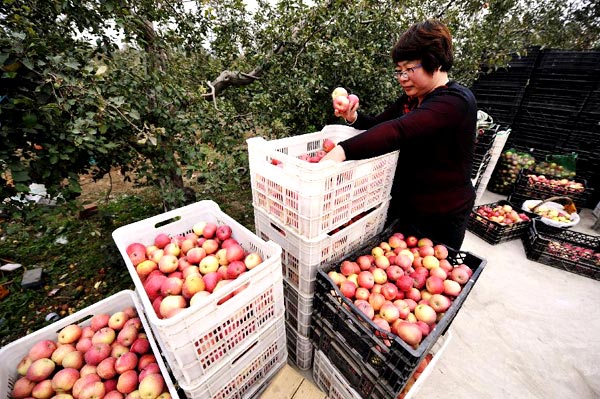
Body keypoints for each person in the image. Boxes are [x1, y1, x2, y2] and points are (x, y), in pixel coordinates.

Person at [321, 19, 477, 250]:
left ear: (434, 63)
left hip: (442, 213)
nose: (402, 77)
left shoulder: (454, 102)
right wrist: (352, 116)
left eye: (409, 69)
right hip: (407, 205)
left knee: (432, 274)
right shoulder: (412, 100)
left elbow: (398, 131)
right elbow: (378, 125)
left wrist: (340, 152)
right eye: (399, 71)